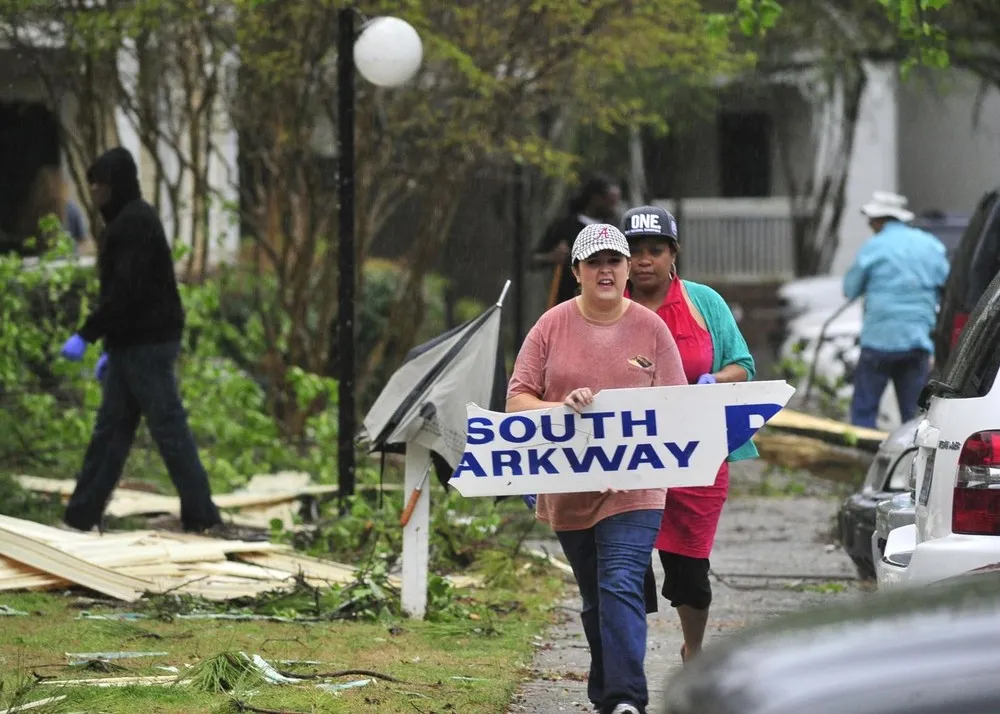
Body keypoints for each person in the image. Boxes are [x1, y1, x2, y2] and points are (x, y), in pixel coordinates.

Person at [507, 223, 687, 714]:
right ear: (576, 272)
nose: (605, 270)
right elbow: (517, 398)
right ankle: (607, 692)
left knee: (621, 582)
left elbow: (676, 404)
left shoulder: (652, 328)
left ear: (628, 269)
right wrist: (560, 408)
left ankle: (627, 700)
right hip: (568, 484)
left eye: (614, 261)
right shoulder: (551, 326)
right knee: (596, 597)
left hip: (636, 484)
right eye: (594, 263)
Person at [58, 146, 223, 534]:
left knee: (163, 429)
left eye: (100, 185)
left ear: (116, 185)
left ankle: (202, 515)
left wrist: (87, 334)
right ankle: (81, 516)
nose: (95, 193)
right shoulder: (132, 221)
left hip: (145, 344)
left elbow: (125, 293)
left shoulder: (131, 225)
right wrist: (111, 347)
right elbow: (130, 294)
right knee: (114, 432)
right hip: (136, 343)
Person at [620, 205, 756, 663]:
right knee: (626, 563)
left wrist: (715, 380)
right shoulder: (607, 308)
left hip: (696, 456)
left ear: (673, 252)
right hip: (628, 458)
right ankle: (626, 661)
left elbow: (745, 366)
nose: (643, 261)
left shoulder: (705, 302)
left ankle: (693, 653)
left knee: (689, 568)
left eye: (654, 250)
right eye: (634, 252)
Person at [843, 190, 950, 428]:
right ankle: (912, 459)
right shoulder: (930, 246)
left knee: (864, 411)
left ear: (880, 220)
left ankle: (862, 456)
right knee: (915, 415)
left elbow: (850, 289)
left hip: (878, 342)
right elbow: (947, 284)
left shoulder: (874, 247)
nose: (869, 224)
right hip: (917, 342)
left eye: (871, 219)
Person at [531, 175, 622, 307]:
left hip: (607, 304)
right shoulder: (565, 227)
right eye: (611, 202)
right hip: (567, 301)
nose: (614, 208)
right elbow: (532, 260)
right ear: (596, 199)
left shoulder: (615, 228)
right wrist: (550, 257)